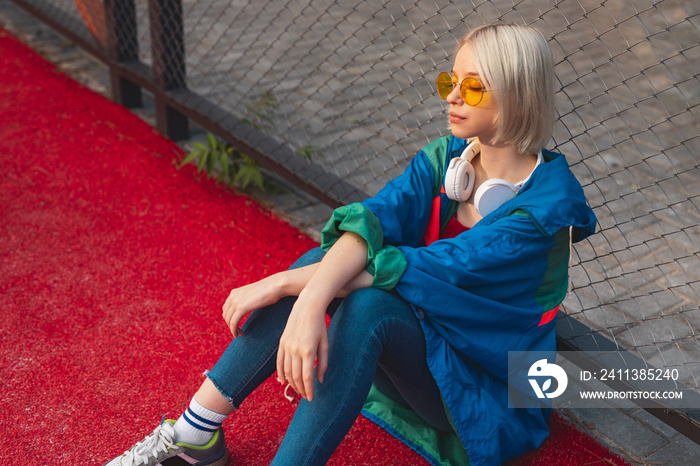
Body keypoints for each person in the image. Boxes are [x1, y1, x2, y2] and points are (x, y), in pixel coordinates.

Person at [103, 22, 597, 466]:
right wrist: (309, 292)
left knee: (364, 304)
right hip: (420, 348)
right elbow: (374, 219)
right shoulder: (449, 159)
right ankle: (195, 434)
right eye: (451, 81)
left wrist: (289, 289)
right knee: (335, 262)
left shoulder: (541, 214)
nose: (452, 98)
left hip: (485, 387)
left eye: (472, 87)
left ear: (515, 96)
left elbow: (420, 268)